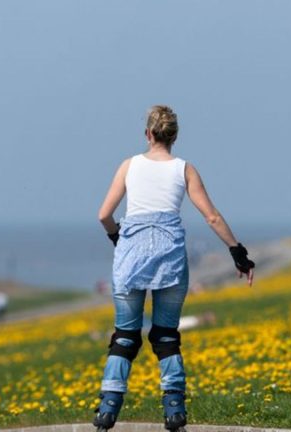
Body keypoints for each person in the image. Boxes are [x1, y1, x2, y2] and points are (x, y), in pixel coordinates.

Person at [94, 105, 255, 431]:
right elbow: (211, 216)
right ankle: (174, 410)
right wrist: (237, 252)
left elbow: (104, 215)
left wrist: (117, 238)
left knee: (125, 336)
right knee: (166, 336)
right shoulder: (185, 170)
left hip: (131, 259)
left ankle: (108, 410)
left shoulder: (129, 166)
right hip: (170, 258)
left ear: (148, 134)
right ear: (174, 136)